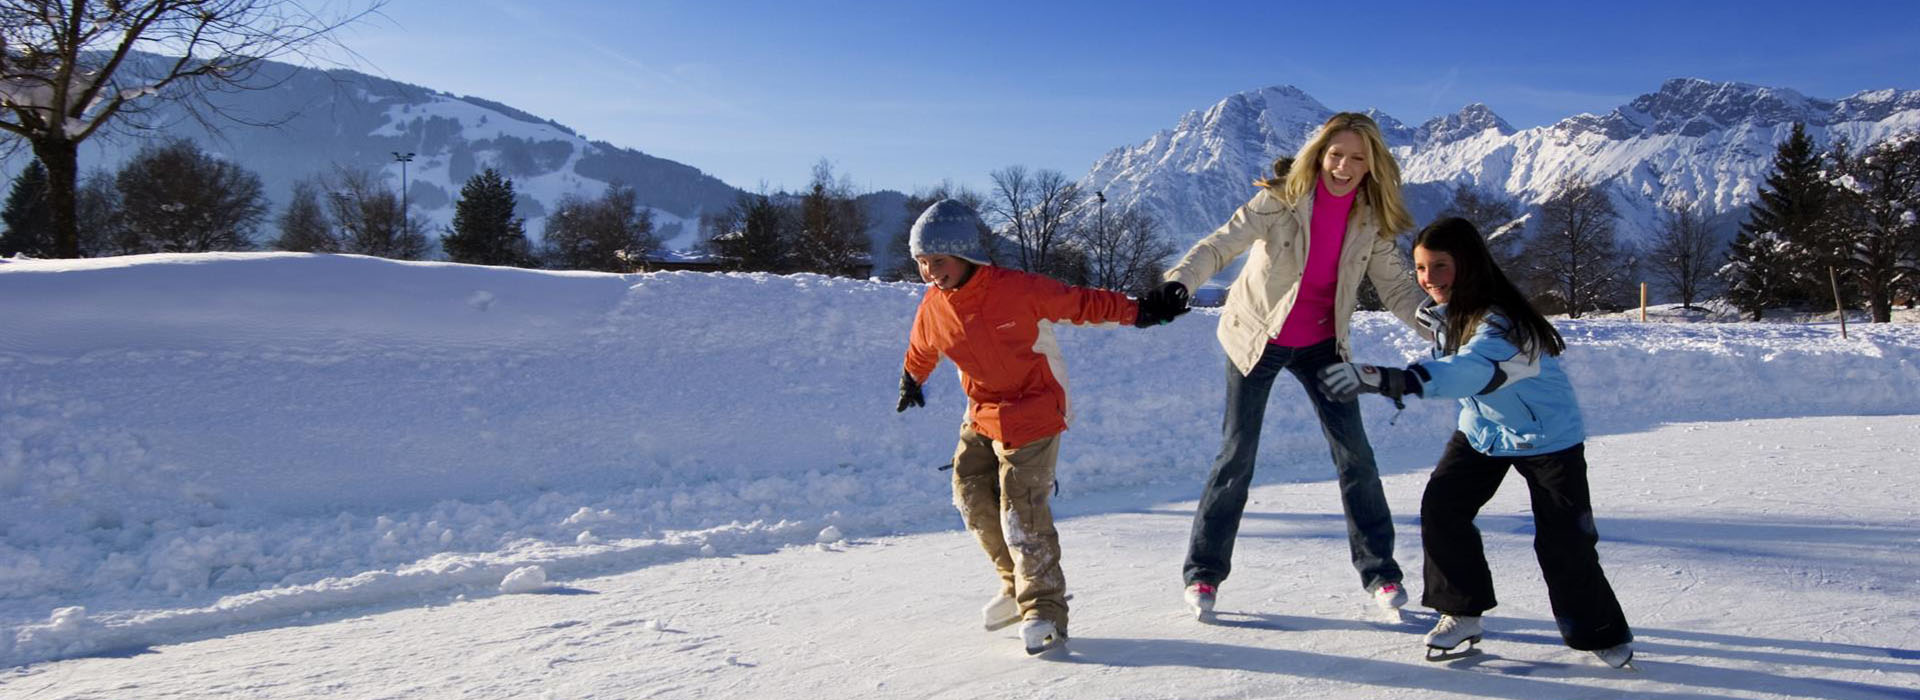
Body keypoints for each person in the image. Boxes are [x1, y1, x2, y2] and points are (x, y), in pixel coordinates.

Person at [1317, 216, 1635, 668]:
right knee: (1443, 510)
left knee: (1564, 541)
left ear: (1467, 264)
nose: (1429, 280)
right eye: (1422, 268)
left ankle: (1598, 631)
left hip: (1545, 437)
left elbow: (1470, 370)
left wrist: (1392, 379)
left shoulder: (1505, 325)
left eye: (1440, 266)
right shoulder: (1446, 315)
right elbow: (1442, 349)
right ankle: (1461, 611)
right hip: (1482, 433)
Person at [1153, 112, 1429, 618]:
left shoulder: (1370, 219)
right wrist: (1181, 282)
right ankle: (1204, 573)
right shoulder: (1281, 199)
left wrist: (1442, 327)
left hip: (1324, 344)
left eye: (1358, 158)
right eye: (1336, 154)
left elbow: (1398, 289)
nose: (1344, 166)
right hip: (1257, 336)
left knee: (1356, 457)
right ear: (1320, 153)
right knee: (1237, 454)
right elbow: (1220, 245)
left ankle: (1381, 573)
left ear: (1373, 166)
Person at [896, 199, 1187, 655]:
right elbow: (922, 345)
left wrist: (1141, 311)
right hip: (982, 410)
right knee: (970, 493)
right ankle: (1015, 585)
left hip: (1035, 408)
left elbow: (1081, 303)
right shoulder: (935, 306)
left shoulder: (1017, 289)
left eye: (939, 262)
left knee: (1022, 511)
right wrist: (912, 379)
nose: (931, 272)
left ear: (967, 255)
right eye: (922, 263)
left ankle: (1045, 611)